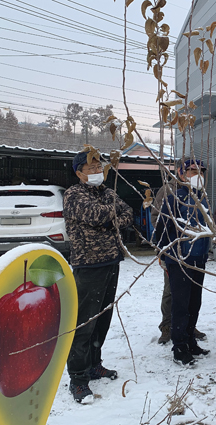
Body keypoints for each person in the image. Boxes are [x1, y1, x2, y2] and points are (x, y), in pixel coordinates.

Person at [64, 148, 133, 403]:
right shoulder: (73, 194)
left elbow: (128, 213)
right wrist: (108, 217)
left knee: (102, 319)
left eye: (98, 167)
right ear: (79, 172)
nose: (96, 171)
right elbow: (96, 215)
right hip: (88, 264)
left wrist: (107, 218)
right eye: (91, 168)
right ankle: (78, 378)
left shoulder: (106, 192)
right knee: (84, 323)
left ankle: (94, 364)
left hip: (111, 261)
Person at [154, 159, 211, 366]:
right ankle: (179, 348)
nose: (197, 175)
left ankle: (189, 341)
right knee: (180, 305)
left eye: (200, 171)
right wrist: (164, 254)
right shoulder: (173, 199)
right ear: (181, 173)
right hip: (179, 260)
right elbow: (161, 229)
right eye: (192, 171)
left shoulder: (202, 199)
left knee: (195, 303)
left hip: (199, 259)